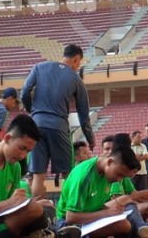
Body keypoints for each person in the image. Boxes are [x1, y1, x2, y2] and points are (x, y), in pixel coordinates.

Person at [21, 44, 96, 198]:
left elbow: (24, 93)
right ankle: (74, 208)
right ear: (76, 59)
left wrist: (32, 111)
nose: (78, 67)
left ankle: (39, 215)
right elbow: (83, 114)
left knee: (38, 175)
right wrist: (90, 138)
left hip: (36, 125)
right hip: (58, 126)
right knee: (68, 173)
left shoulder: (39, 67)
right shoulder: (76, 79)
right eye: (79, 63)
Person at [55, 145, 148, 238]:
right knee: (123, 225)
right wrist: (107, 213)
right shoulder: (84, 177)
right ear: (109, 162)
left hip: (88, 217)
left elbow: (93, 204)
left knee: (124, 203)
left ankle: (142, 227)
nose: (119, 179)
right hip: (68, 225)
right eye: (119, 174)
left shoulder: (106, 174)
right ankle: (141, 228)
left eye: (123, 177)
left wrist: (112, 211)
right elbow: (70, 217)